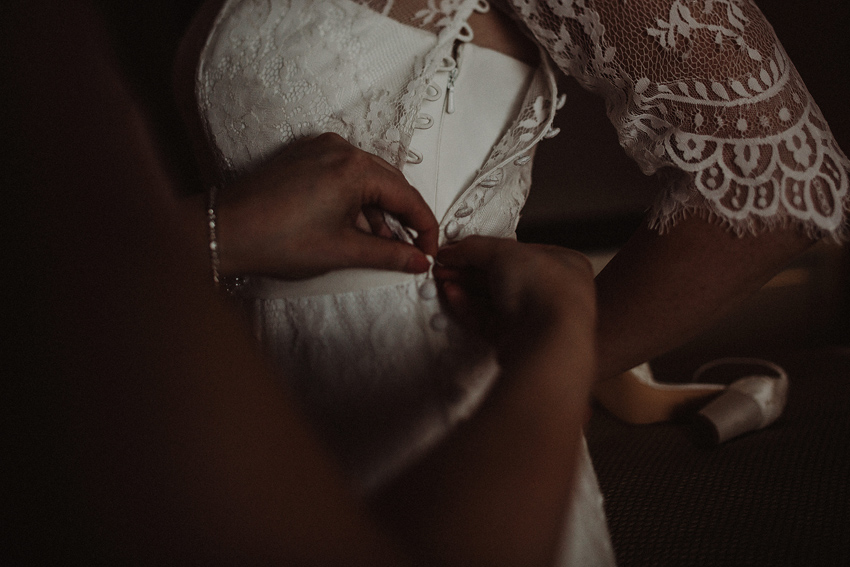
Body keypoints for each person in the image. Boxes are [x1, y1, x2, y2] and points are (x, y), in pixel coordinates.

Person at [168, 0, 849, 564]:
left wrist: (557, 350)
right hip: (227, 450)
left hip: (448, 457)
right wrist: (224, 229)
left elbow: (776, 184)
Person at [6, 3, 598, 564]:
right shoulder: (45, 46)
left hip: (441, 422)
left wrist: (223, 228)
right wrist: (564, 334)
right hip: (232, 413)